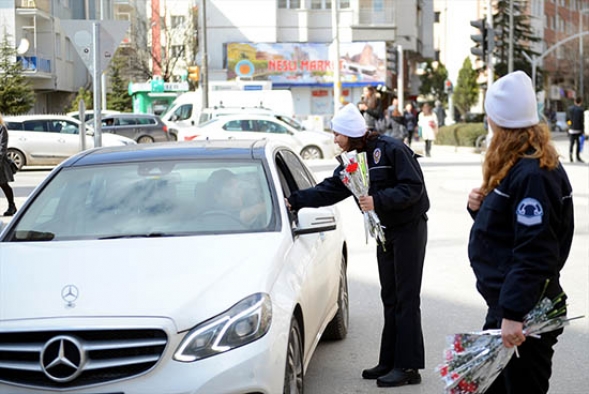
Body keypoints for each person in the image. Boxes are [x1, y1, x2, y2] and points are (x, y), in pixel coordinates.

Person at [285, 103, 429, 388]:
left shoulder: (391, 149)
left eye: (337, 133)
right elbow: (330, 189)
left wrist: (379, 200)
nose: (334, 139)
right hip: (385, 231)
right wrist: (295, 200)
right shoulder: (352, 160)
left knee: (406, 299)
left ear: (350, 133)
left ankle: (409, 367)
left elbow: (414, 189)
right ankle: (389, 360)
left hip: (409, 229)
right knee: (390, 296)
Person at [467, 71, 574, 394]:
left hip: (525, 311)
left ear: (500, 123)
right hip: (514, 305)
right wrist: (479, 208)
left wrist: (512, 316)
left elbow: (534, 251)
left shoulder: (532, 174)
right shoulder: (520, 165)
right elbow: (509, 233)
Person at [0, 114, 17, 216]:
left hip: (1, 163)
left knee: (3, 185)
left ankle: (12, 206)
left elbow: (2, 146)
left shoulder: (2, 128)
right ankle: (12, 206)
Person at [566, 97, 585, 163]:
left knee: (571, 143)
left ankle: (570, 156)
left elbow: (567, 119)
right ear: (580, 102)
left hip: (571, 129)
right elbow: (582, 121)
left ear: (574, 101)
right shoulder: (581, 110)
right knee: (578, 143)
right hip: (578, 130)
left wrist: (570, 125)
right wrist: (582, 130)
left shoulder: (570, 109)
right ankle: (577, 157)